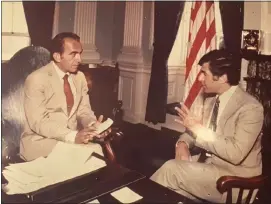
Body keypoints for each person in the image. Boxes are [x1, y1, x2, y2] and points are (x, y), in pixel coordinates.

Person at [150, 49, 264, 203]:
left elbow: (235, 153)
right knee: (170, 191)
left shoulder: (250, 108)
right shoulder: (210, 100)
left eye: (204, 73)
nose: (200, 78)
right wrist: (182, 144)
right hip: (207, 168)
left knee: (171, 170)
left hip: (234, 180)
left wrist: (198, 129)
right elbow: (193, 131)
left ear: (222, 78)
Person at [20, 32, 109, 161]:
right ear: (57, 56)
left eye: (80, 53)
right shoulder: (36, 79)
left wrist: (93, 127)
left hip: (68, 141)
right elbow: (38, 122)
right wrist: (72, 136)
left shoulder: (79, 78)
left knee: (96, 154)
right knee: (86, 155)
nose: (79, 59)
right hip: (40, 141)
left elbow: (83, 111)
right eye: (73, 54)